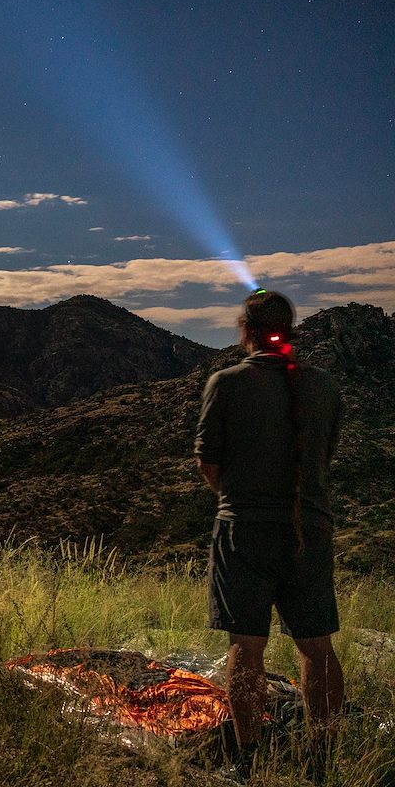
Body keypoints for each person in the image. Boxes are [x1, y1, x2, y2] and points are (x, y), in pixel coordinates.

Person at [194, 289, 345, 779]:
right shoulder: (323, 386)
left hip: (244, 531)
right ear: (290, 330)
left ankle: (249, 760)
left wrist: (238, 496)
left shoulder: (227, 383)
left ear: (246, 331)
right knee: (316, 644)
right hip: (310, 530)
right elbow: (325, 455)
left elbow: (208, 461)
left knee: (247, 646)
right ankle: (321, 760)